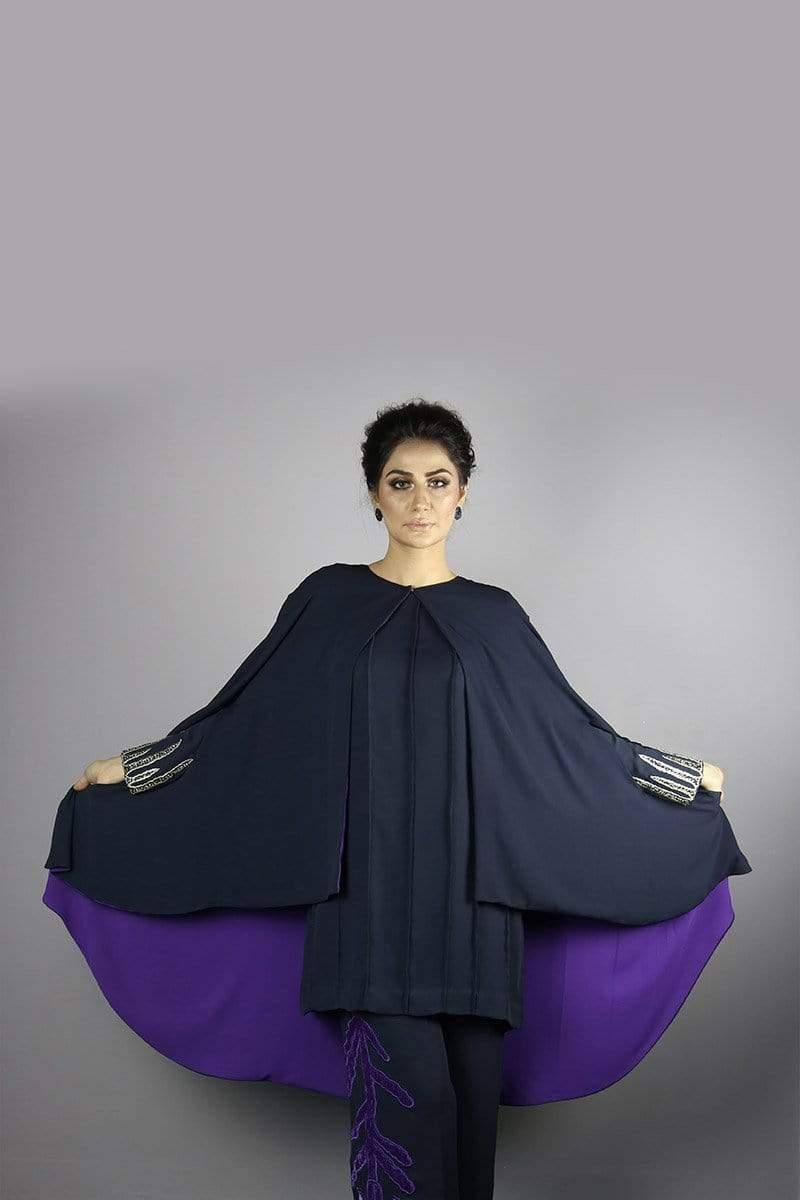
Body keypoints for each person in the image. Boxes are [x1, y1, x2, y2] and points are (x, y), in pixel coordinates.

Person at [44, 398, 748, 1200]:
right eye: (400, 482)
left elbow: (571, 739)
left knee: (469, 1133)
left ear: (463, 492)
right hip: (368, 917)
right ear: (374, 494)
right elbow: (240, 725)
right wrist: (134, 769)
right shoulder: (327, 602)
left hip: (476, 922)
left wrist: (677, 776)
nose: (420, 501)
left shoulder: (494, 617)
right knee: (410, 1122)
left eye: (437, 481)